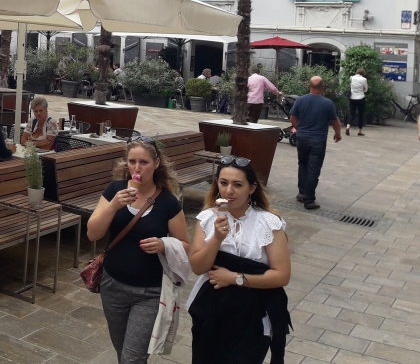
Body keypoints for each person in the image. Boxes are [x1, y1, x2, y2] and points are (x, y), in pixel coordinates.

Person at [87, 138, 190, 364]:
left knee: (132, 358)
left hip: (150, 292)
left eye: (143, 162)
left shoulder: (168, 202)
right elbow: (93, 234)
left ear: (156, 163)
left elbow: (185, 244)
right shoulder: (115, 190)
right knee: (122, 352)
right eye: (132, 161)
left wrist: (164, 244)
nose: (137, 168)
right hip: (113, 285)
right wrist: (113, 206)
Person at [187, 156, 292, 364]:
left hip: (252, 313)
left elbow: (282, 275)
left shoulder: (268, 222)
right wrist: (216, 238)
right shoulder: (207, 218)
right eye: (223, 183)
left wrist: (235, 278)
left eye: (237, 185)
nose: (229, 191)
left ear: (251, 188)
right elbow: (198, 267)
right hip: (212, 310)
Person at [289, 76, 341, 210]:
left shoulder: (300, 100)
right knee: (314, 169)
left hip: (302, 138)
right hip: (318, 140)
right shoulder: (328, 103)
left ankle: (302, 192)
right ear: (323, 87)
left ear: (309, 86)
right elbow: (335, 122)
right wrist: (337, 134)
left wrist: (300, 129)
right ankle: (309, 199)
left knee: (303, 165)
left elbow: (292, 118)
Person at [345, 67, 369, 137]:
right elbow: (366, 89)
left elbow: (351, 86)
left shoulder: (351, 78)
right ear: (363, 73)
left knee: (352, 114)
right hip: (361, 98)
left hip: (352, 98)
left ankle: (348, 127)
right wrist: (362, 90)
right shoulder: (364, 79)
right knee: (360, 115)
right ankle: (360, 131)